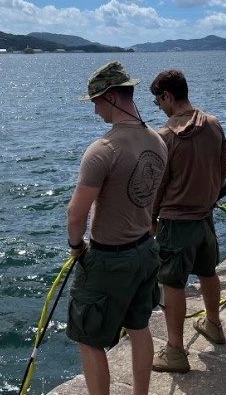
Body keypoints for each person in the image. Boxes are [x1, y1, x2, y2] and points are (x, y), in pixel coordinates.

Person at [66, 61, 168, 395]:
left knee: (88, 337)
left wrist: (77, 248)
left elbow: (75, 214)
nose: (94, 109)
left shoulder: (102, 149)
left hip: (110, 259)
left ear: (110, 97)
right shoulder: (157, 140)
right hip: (145, 251)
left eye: (95, 100)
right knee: (139, 327)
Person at [148, 69, 226, 374]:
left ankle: (175, 352)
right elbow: (224, 167)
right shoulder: (213, 124)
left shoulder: (164, 137)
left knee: (172, 284)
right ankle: (213, 324)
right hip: (205, 217)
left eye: (158, 101)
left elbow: (157, 186)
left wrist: (150, 221)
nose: (159, 107)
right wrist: (208, 197)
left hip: (175, 222)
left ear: (168, 96)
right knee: (208, 271)